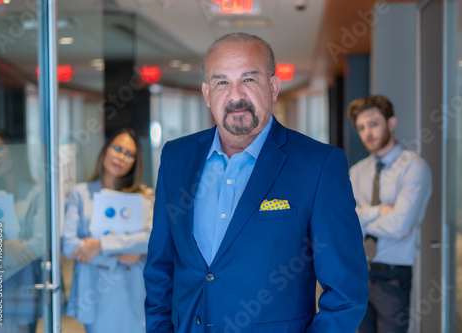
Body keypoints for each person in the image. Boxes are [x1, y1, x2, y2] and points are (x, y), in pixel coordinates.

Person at [144, 32, 368, 333]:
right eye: (222, 82)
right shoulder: (175, 157)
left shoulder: (318, 165)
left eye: (249, 79)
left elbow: (345, 293)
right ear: (207, 93)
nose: (235, 96)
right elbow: (160, 266)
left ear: (273, 87)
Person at [347, 95, 432, 333]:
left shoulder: (414, 168)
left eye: (373, 124)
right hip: (359, 273)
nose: (367, 133)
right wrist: (378, 211)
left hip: (393, 277)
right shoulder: (357, 171)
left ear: (391, 124)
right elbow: (346, 221)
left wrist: (362, 218)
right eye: (361, 127)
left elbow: (399, 226)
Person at [62, 128, 154, 333]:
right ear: (105, 149)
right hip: (94, 291)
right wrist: (118, 255)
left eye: (129, 154)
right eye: (117, 149)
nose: (121, 157)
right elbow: (70, 246)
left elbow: (150, 239)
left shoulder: (144, 196)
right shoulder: (80, 194)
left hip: (133, 290)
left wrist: (100, 245)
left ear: (135, 162)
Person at [0, 130, 45, 333]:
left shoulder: (37, 192)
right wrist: (4, 246)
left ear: (12, 150)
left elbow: (38, 245)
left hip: (23, 284)